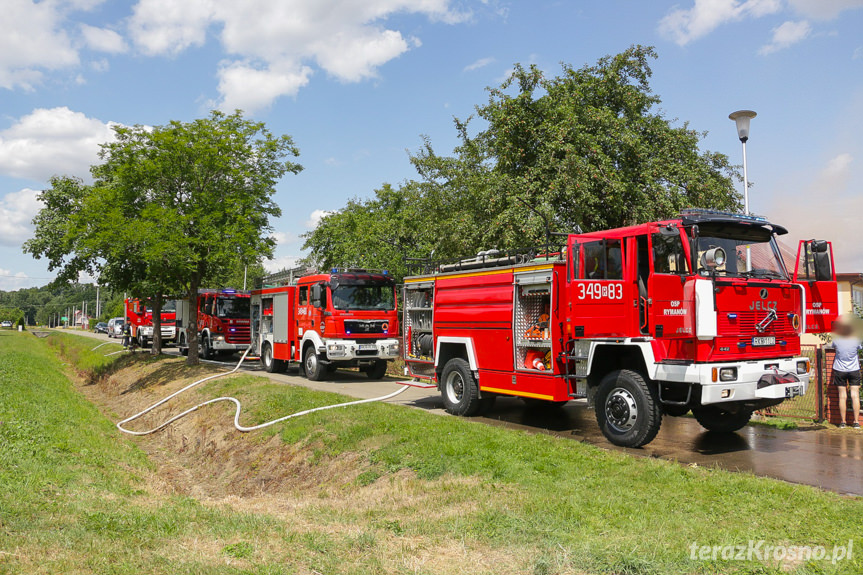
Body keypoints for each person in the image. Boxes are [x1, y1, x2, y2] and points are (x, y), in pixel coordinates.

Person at [831, 317, 862, 429]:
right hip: (854, 369)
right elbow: (859, 347)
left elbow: (832, 347)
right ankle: (856, 422)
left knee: (842, 396)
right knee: (855, 395)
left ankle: (843, 422)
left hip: (840, 370)